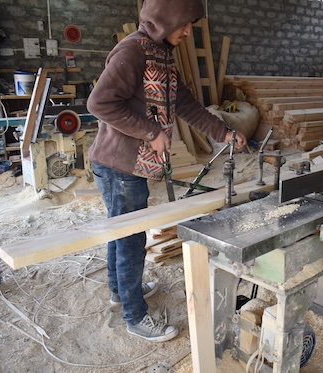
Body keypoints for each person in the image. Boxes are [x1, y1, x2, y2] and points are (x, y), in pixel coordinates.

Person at [86, 0, 246, 343]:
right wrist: (151, 132)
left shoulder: (160, 54)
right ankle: (135, 315)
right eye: (184, 23)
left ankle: (120, 291)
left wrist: (224, 133)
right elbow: (99, 103)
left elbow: (186, 105)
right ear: (165, 18)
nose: (189, 31)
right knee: (130, 238)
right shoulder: (132, 52)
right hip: (119, 165)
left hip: (128, 166)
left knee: (121, 232)